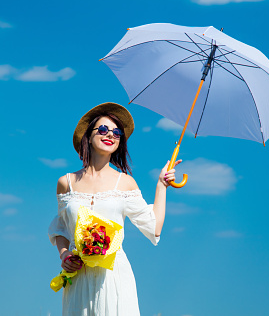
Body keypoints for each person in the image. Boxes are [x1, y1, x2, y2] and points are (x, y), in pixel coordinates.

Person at [48, 102, 180, 316]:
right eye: (103, 129)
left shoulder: (125, 182)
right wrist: (64, 256)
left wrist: (161, 186)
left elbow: (154, 227)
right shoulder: (66, 182)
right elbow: (61, 229)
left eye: (117, 132)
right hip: (78, 276)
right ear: (88, 135)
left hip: (113, 275)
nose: (110, 134)